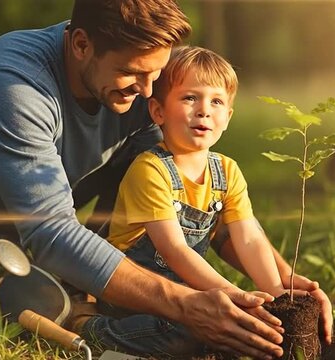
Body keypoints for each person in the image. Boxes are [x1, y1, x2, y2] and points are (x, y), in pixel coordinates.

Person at [0, 1, 287, 358]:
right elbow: (52, 233)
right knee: (47, 305)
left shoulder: (140, 77)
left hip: (30, 236)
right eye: (133, 73)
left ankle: (89, 291)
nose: (147, 90)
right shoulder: (13, 87)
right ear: (81, 44)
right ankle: (82, 315)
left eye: (155, 73)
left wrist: (285, 286)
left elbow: (174, 197)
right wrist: (185, 305)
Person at [78, 45, 286, 357]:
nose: (204, 110)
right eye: (190, 98)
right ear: (158, 111)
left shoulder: (227, 171)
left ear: (227, 117)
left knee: (227, 331)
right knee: (185, 334)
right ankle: (90, 327)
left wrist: (275, 294)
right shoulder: (150, 170)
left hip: (187, 292)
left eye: (216, 101)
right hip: (135, 296)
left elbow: (249, 236)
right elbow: (173, 250)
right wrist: (231, 294)